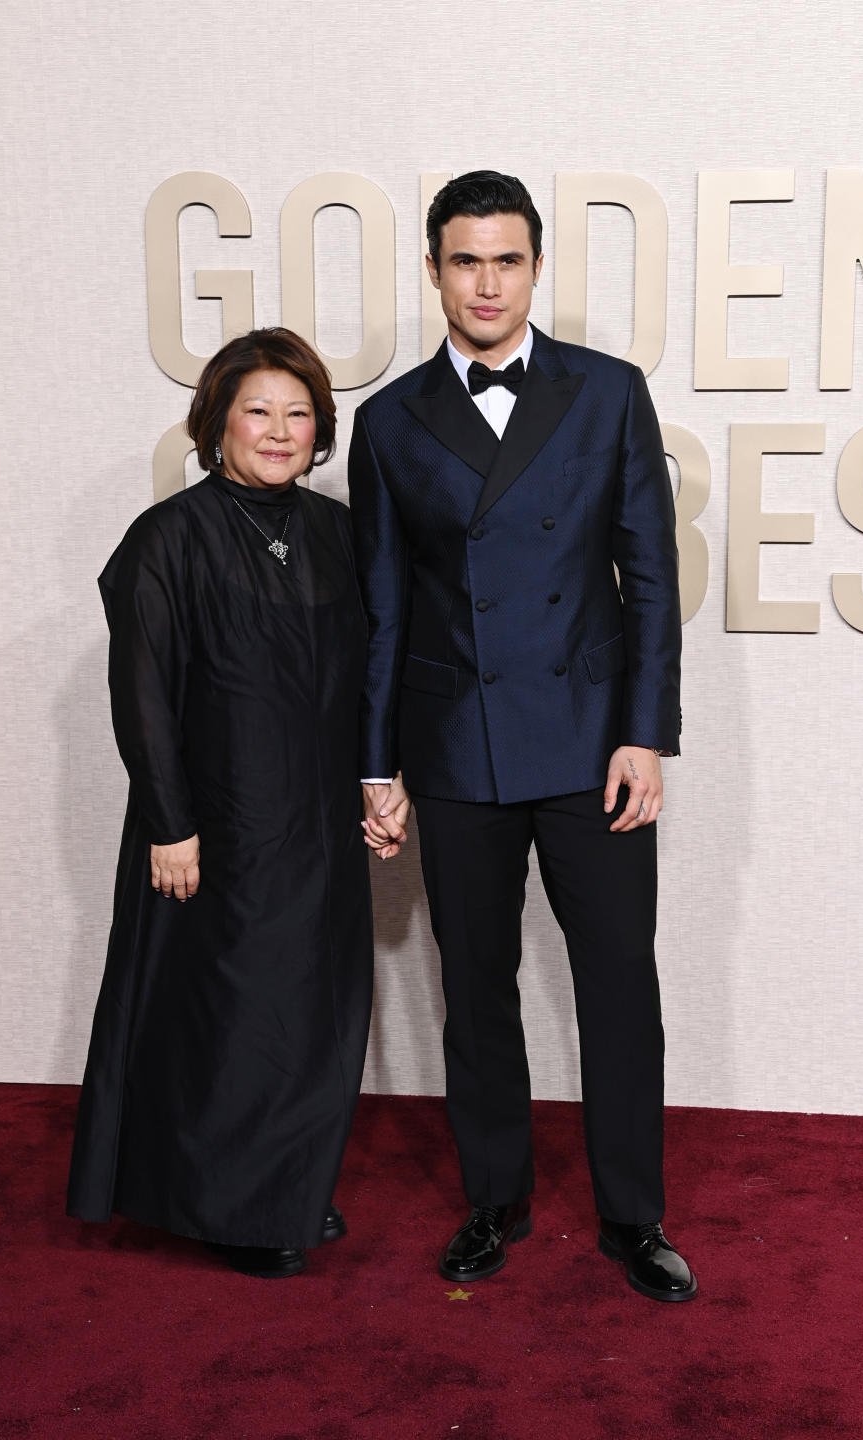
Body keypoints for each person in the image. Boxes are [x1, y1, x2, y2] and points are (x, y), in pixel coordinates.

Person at [348, 172, 696, 1301]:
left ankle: (634, 1216)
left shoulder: (607, 392)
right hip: (457, 747)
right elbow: (385, 609)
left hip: (595, 743)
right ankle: (492, 1200)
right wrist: (376, 761)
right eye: (464, 260)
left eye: (506, 259)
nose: (486, 281)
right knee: (478, 986)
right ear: (436, 272)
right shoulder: (390, 419)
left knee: (617, 985)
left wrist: (645, 734)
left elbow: (649, 575)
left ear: (536, 268)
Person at [68, 328, 373, 1279]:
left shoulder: (336, 532)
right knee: (229, 1022)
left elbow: (371, 675)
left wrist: (382, 777)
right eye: (259, 411)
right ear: (217, 421)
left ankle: (286, 1196)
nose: (281, 431)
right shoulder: (166, 540)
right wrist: (171, 824)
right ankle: (227, 1208)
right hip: (215, 827)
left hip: (319, 824)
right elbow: (145, 691)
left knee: (316, 1015)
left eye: (299, 413)